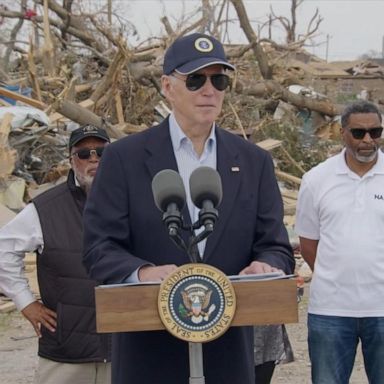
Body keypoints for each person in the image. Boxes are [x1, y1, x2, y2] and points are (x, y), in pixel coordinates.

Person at [83, 33, 294, 384]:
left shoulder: (254, 162)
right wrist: (144, 273)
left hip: (227, 352)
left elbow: (275, 244)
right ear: (168, 86)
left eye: (219, 79)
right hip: (148, 351)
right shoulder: (124, 158)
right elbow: (98, 248)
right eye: (195, 79)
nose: (209, 90)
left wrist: (267, 264)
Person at [0, 125, 112, 384]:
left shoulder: (129, 201)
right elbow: (4, 248)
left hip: (123, 350)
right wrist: (25, 302)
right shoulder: (46, 208)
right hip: (66, 355)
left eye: (101, 152)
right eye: (84, 153)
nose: (93, 159)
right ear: (72, 160)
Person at [295, 100, 384, 384]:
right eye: (359, 133)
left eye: (376, 131)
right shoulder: (316, 180)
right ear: (342, 133)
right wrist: (337, 276)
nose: (368, 140)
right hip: (330, 311)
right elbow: (309, 244)